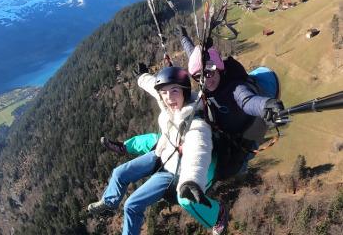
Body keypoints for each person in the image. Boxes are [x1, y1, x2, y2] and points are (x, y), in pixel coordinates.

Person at [100, 27, 285, 235]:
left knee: (184, 197)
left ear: (219, 68)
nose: (206, 78)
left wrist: (267, 104)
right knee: (149, 152)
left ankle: (216, 215)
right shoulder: (178, 97)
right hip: (170, 157)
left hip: (199, 163)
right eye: (199, 76)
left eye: (210, 72)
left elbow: (247, 102)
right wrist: (181, 40)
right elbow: (162, 84)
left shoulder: (230, 92)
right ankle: (119, 173)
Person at [88, 66, 219, 235]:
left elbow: (198, 150)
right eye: (164, 93)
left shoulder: (196, 123)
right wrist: (142, 77)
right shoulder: (168, 105)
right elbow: (154, 87)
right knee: (119, 173)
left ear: (185, 92)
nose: (168, 97)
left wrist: (192, 181)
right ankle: (109, 201)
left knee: (132, 205)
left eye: (174, 91)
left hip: (173, 172)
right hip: (161, 154)